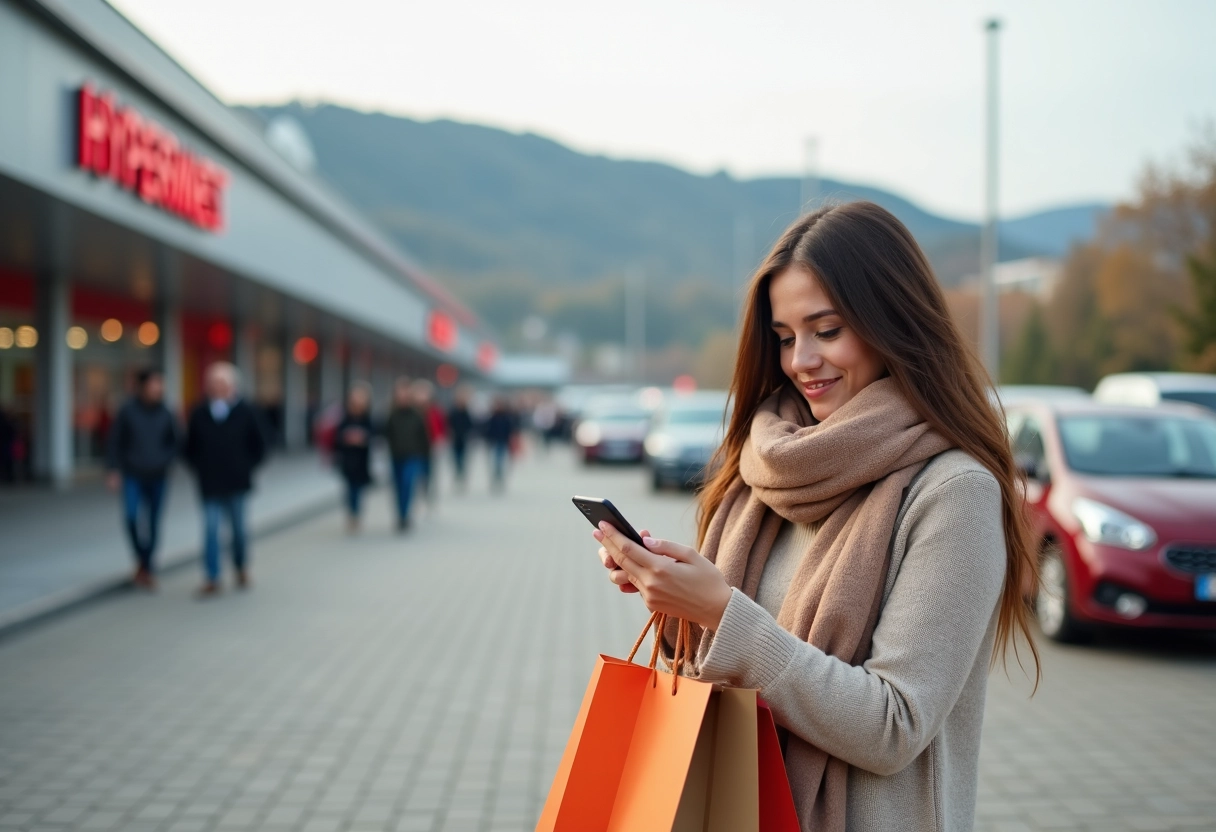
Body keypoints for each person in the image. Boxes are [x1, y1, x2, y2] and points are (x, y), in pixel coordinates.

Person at [591, 202, 1039, 832]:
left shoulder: (954, 491)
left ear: (893, 323)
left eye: (827, 330)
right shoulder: (764, 469)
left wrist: (721, 612)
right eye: (784, 337)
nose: (800, 360)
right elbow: (721, 667)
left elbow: (893, 725)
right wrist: (674, 600)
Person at [185, 362, 266, 597]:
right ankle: (212, 576)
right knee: (211, 530)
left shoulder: (246, 410)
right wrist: (199, 468)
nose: (218, 387)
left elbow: (260, 444)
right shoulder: (199, 412)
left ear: (232, 386)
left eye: (223, 383)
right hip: (209, 483)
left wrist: (247, 467)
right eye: (214, 383)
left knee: (239, 531)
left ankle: (240, 566)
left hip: (237, 482)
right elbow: (189, 447)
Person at [104, 368, 179, 589]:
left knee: (154, 523)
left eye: (160, 384)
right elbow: (115, 441)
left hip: (158, 475)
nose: (159, 388)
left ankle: (147, 567)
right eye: (155, 384)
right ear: (144, 386)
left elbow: (176, 442)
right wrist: (113, 469)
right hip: (133, 475)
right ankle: (142, 560)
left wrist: (165, 461)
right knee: (131, 517)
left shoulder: (166, 412)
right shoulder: (128, 411)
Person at [384, 377, 429, 531]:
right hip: (396, 456)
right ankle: (401, 515)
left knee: (407, 484)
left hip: (413, 455)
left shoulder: (417, 415)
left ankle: (405, 515)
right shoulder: (391, 415)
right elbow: (385, 434)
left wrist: (425, 458)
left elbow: (424, 438)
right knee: (398, 487)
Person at [333, 382, 374, 534]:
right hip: (348, 459)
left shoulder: (367, 417)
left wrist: (362, 438)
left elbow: (372, 434)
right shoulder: (344, 417)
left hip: (362, 460)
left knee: (359, 488)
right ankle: (352, 513)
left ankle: (356, 513)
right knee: (349, 488)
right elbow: (338, 437)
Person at [413, 379, 444, 505]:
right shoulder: (412, 410)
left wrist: (439, 440)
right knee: (416, 472)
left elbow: (440, 427)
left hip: (430, 446)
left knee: (429, 471)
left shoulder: (434, 410)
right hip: (414, 447)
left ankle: (428, 493)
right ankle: (418, 495)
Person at [482, 396, 516, 490]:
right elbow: (486, 430)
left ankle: (499, 474)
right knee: (495, 460)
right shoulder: (491, 417)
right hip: (493, 441)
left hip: (503, 441)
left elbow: (510, 430)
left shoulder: (506, 418)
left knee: (500, 459)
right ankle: (496, 475)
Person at [445, 387, 474, 490]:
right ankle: (458, 472)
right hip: (455, 438)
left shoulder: (466, 411)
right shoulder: (453, 411)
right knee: (456, 458)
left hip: (464, 439)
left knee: (462, 458)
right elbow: (448, 423)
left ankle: (461, 472)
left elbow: (470, 424)